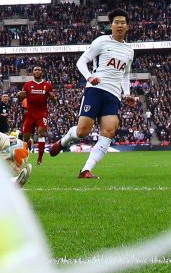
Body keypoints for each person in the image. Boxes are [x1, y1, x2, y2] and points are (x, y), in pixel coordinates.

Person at [49, 9, 136, 179]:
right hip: (95, 90)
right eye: (116, 22)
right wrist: (90, 77)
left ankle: (85, 170)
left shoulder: (129, 51)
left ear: (127, 27)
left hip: (113, 95)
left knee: (109, 131)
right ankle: (63, 141)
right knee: (83, 132)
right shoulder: (101, 42)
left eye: (123, 22)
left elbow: (125, 75)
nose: (119, 25)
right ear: (111, 25)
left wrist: (127, 94)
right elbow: (81, 61)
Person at [18, 65, 57, 165]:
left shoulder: (47, 85)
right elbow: (21, 98)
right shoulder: (27, 85)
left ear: (42, 72)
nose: (37, 71)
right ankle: (24, 155)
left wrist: (53, 98)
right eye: (35, 70)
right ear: (33, 73)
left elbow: (55, 102)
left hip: (41, 114)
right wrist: (19, 96)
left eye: (39, 70)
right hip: (29, 114)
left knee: (41, 133)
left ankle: (40, 158)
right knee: (25, 138)